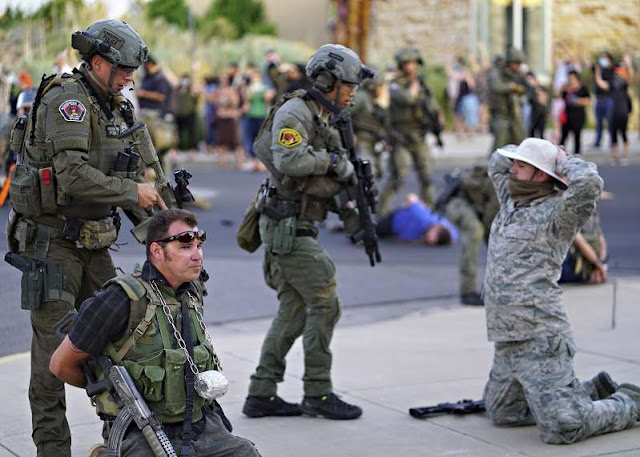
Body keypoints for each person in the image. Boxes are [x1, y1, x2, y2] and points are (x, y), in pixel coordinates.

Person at [6, 19, 166, 457]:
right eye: (123, 68)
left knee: (121, 341)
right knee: (52, 362)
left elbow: (130, 176)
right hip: (52, 246)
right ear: (98, 63)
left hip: (94, 244)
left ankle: (124, 444)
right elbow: (73, 176)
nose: (130, 77)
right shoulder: (69, 101)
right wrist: (133, 192)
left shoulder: (113, 107)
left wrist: (164, 231)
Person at [50, 209, 261, 457]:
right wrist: (110, 392)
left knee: (246, 452)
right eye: (185, 247)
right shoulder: (120, 299)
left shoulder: (190, 293)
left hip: (199, 424)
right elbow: (60, 365)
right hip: (141, 429)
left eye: (198, 246)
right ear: (157, 251)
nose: (197, 255)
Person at [482, 137, 640, 444]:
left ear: (541, 175)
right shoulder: (510, 200)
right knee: (504, 412)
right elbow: (496, 163)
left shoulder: (558, 213)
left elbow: (589, 184)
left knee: (564, 426)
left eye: (521, 166)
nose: (513, 169)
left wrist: (563, 160)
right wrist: (529, 151)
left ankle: (630, 402)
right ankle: (587, 390)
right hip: (506, 337)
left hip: (541, 336)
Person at [242, 44, 369, 420]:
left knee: (295, 311)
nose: (353, 93)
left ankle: (261, 393)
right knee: (326, 304)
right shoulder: (296, 111)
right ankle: (318, 393)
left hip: (294, 225)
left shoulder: (321, 115)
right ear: (329, 81)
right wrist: (333, 162)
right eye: (349, 85)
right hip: (286, 227)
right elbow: (289, 160)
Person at [378, 46, 440, 215]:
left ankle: (429, 212)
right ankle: (381, 212)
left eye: (413, 63)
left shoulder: (423, 86)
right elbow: (408, 99)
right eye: (407, 64)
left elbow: (432, 107)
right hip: (401, 137)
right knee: (398, 176)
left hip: (418, 136)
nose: (411, 67)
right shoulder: (395, 85)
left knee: (426, 175)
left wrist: (436, 125)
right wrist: (415, 85)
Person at [435, 164, 499, 306]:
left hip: (478, 205)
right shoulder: (503, 180)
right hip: (459, 201)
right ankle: (467, 291)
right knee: (474, 231)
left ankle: (493, 289)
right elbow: (490, 218)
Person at [376, 193, 457, 245]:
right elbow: (412, 197)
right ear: (436, 229)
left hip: (398, 234)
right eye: (432, 236)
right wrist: (414, 204)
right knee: (373, 231)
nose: (430, 240)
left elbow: (453, 236)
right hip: (393, 222)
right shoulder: (423, 217)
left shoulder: (450, 233)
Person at [349, 72, 388, 179]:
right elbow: (343, 113)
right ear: (373, 86)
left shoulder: (371, 101)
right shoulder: (362, 97)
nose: (381, 90)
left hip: (372, 142)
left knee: (377, 172)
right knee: (368, 173)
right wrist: (351, 133)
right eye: (380, 86)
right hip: (361, 142)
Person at [487, 47, 527, 153]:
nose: (517, 67)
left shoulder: (516, 74)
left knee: (519, 140)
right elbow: (496, 86)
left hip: (514, 112)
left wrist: (520, 89)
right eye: (515, 63)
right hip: (500, 112)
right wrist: (511, 86)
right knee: (500, 142)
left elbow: (524, 88)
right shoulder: (496, 72)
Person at [560, 210, 608, 284]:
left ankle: (593, 273)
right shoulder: (570, 210)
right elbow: (578, 240)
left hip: (589, 261)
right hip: (573, 261)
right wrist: (599, 264)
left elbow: (601, 240)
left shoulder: (592, 211)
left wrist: (599, 264)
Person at [559, 70, 590, 155]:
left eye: (572, 78)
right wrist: (563, 89)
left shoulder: (582, 88)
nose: (571, 80)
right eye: (569, 78)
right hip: (567, 114)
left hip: (578, 115)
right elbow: (559, 97)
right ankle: (560, 154)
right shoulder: (566, 88)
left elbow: (587, 100)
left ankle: (577, 155)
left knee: (577, 136)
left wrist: (577, 101)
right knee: (563, 136)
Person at [591, 51, 615, 150]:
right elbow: (586, 63)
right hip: (599, 100)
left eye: (605, 58)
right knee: (599, 123)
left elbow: (604, 85)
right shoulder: (599, 70)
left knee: (610, 122)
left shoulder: (612, 71)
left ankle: (613, 141)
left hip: (608, 100)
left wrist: (598, 73)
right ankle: (597, 142)